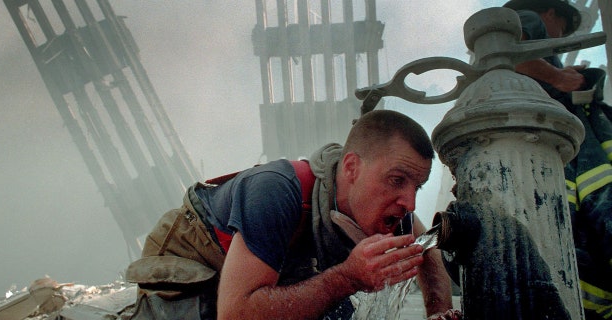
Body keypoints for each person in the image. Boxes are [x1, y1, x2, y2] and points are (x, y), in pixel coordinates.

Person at [125, 109, 459, 319]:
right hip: (197, 247)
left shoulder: (394, 209)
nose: (410, 203)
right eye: (397, 180)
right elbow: (236, 312)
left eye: (417, 185)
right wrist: (348, 277)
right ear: (352, 167)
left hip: (266, 264)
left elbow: (427, 255)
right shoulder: (275, 191)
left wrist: (439, 311)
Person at [504, 1, 612, 319]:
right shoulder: (528, 22)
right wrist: (557, 77)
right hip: (539, 149)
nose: (561, 37)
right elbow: (509, 55)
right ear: (551, 14)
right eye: (563, 28)